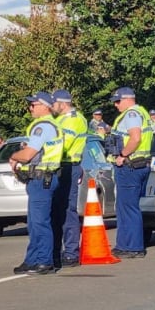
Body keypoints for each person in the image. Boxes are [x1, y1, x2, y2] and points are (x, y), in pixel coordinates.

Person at [9, 92, 65, 275]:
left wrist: (13, 156)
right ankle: (32, 259)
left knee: (40, 222)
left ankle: (44, 260)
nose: (30, 108)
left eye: (33, 105)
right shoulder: (50, 125)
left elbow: (27, 155)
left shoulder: (43, 127)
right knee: (33, 222)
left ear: (43, 106)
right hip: (42, 178)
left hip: (42, 179)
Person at [109, 86, 152, 258]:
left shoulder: (132, 114)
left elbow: (135, 138)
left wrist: (122, 155)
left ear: (127, 99)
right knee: (126, 207)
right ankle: (124, 245)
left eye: (118, 101)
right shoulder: (142, 112)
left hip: (130, 165)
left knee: (128, 208)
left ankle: (133, 247)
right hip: (139, 165)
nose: (116, 105)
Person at [52, 90, 87, 268]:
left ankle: (71, 253)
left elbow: (63, 144)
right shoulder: (60, 119)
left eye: (54, 103)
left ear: (62, 103)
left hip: (68, 166)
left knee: (67, 210)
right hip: (59, 166)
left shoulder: (73, 119)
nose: (52, 106)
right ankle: (57, 251)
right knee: (57, 211)